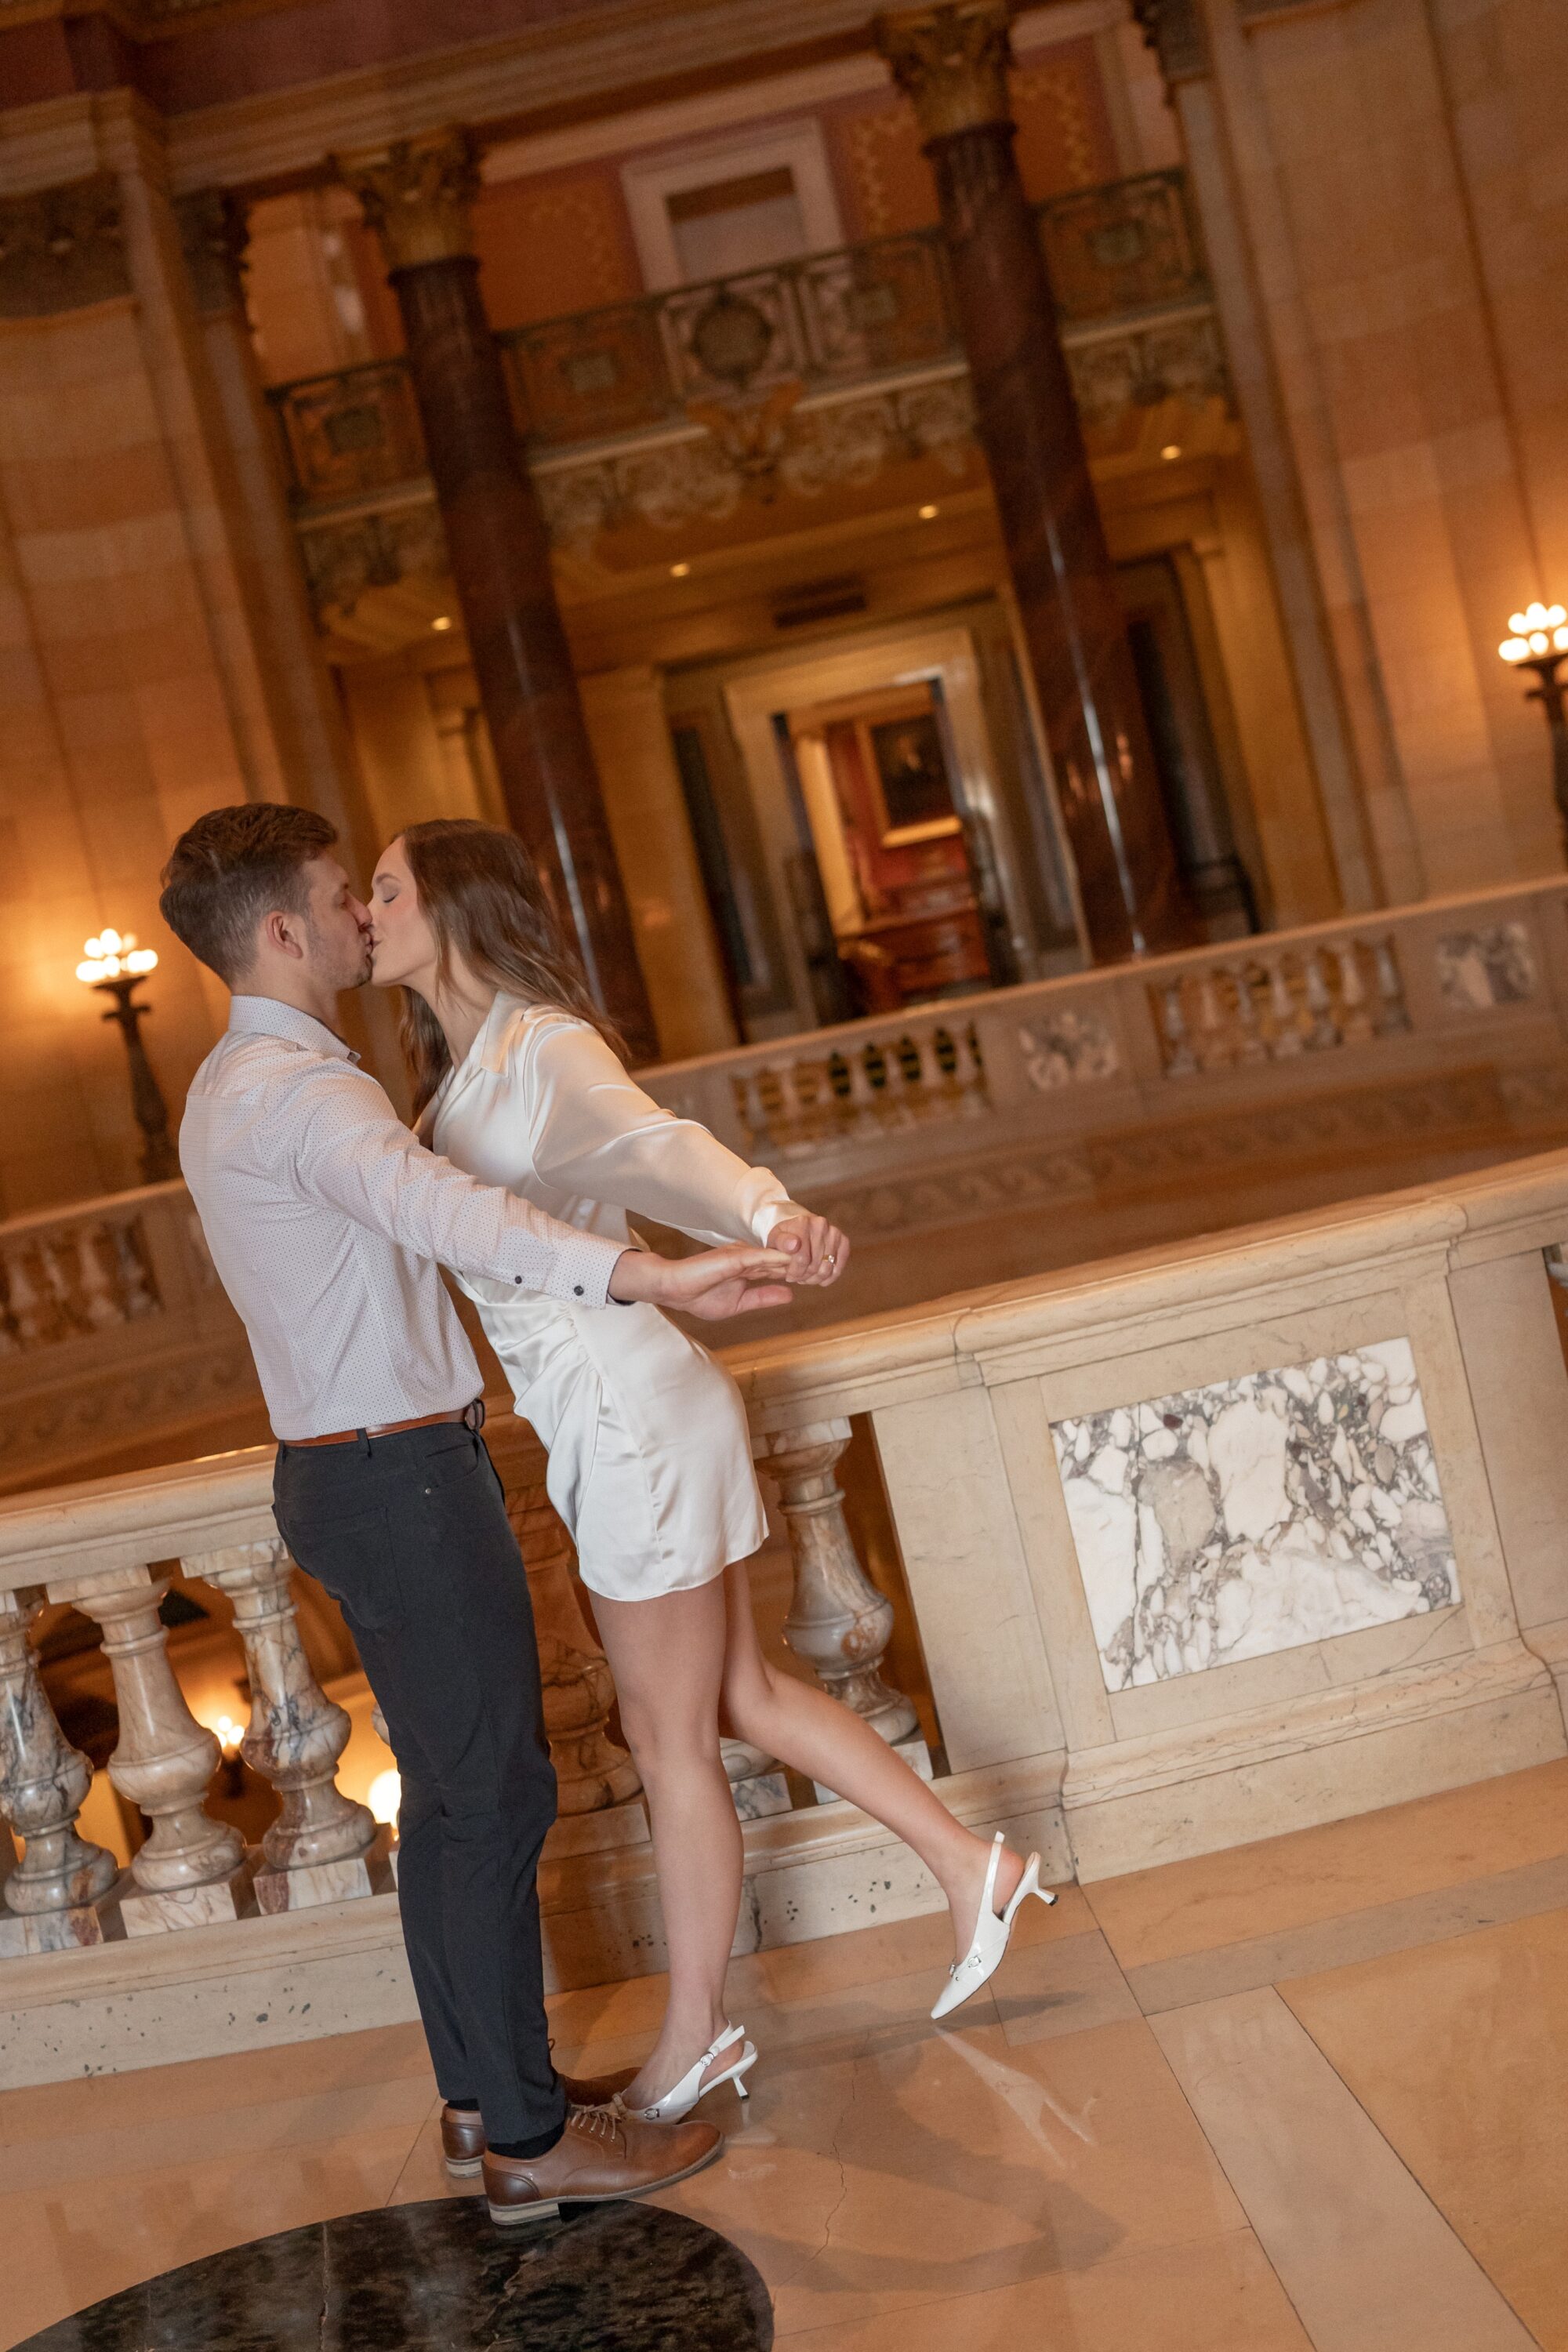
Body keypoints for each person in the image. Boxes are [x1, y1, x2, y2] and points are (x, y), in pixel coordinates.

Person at [160, 802, 802, 2228]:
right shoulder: (310, 1097)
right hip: (399, 1477)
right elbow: (460, 1217)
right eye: (340, 896)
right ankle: (527, 2139)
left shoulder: (225, 1090)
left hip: (338, 1474)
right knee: (495, 1799)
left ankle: (480, 2106)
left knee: (454, 1806)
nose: (358, 917)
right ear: (279, 930)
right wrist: (660, 1280)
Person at [367, 817, 1054, 2124]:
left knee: (673, 1738)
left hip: (631, 1415)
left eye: (389, 890)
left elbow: (656, 1144)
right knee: (740, 1692)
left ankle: (695, 2034)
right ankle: (974, 1866)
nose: (370, 913)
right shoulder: (453, 1082)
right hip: (615, 1414)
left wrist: (769, 1213)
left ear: (454, 909)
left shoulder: (542, 1048)